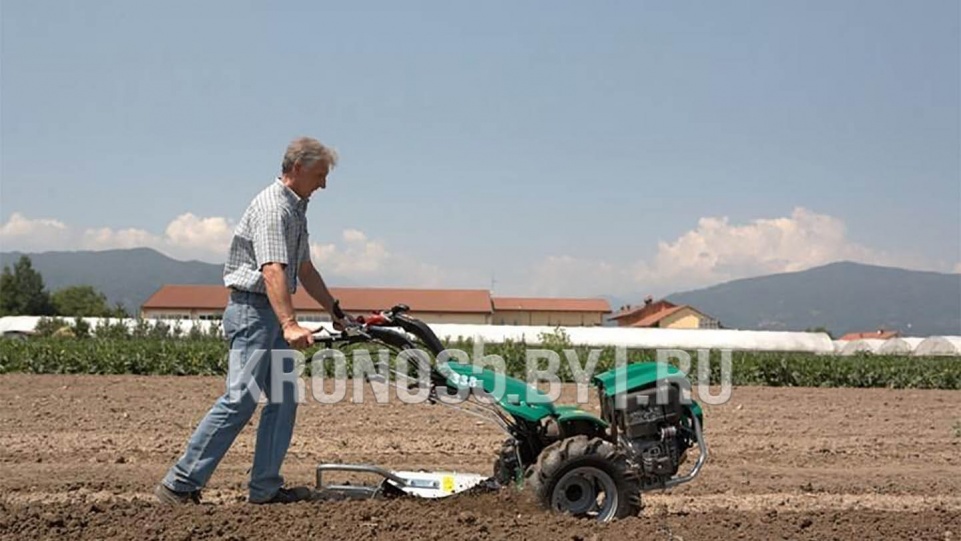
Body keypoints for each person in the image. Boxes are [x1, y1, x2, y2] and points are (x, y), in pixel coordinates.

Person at [155, 136, 350, 505]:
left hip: (271, 314)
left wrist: (336, 311)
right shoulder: (273, 208)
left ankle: (265, 489)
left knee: (284, 398)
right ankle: (179, 485)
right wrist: (290, 324)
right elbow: (273, 269)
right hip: (253, 313)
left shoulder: (296, 208)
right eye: (320, 175)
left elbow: (304, 269)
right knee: (240, 398)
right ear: (297, 169)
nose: (324, 184)